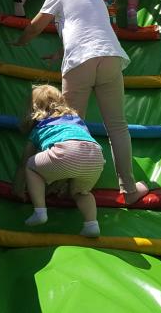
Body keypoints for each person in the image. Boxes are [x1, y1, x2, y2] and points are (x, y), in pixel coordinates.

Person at [13, 0, 150, 204]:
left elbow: (36, 26)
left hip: (80, 62)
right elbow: (88, 29)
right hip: (110, 55)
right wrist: (61, 51)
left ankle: (60, 184)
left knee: (69, 125)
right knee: (117, 126)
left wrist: (20, 42)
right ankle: (129, 189)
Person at [13, 84, 105, 237]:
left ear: (34, 109)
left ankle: (40, 211)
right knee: (81, 192)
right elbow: (74, 158)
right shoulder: (76, 120)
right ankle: (92, 224)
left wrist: (18, 185)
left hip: (66, 150)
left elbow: (25, 161)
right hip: (95, 156)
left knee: (30, 165)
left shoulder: (40, 127)